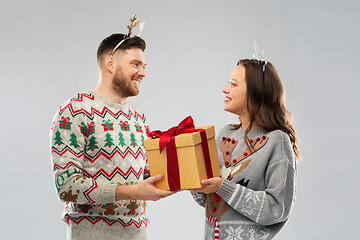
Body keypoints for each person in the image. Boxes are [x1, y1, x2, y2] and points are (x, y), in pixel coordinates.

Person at [50, 18, 173, 240]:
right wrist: (133, 191)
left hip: (138, 234)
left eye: (144, 66)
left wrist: (188, 175)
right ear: (110, 63)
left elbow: (147, 177)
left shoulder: (139, 120)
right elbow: (66, 185)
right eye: (136, 64)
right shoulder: (75, 111)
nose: (143, 72)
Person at [191, 56, 300, 240]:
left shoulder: (277, 141)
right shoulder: (225, 134)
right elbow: (209, 201)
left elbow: (276, 209)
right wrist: (193, 182)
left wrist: (221, 186)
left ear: (255, 92)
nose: (225, 89)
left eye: (233, 84)